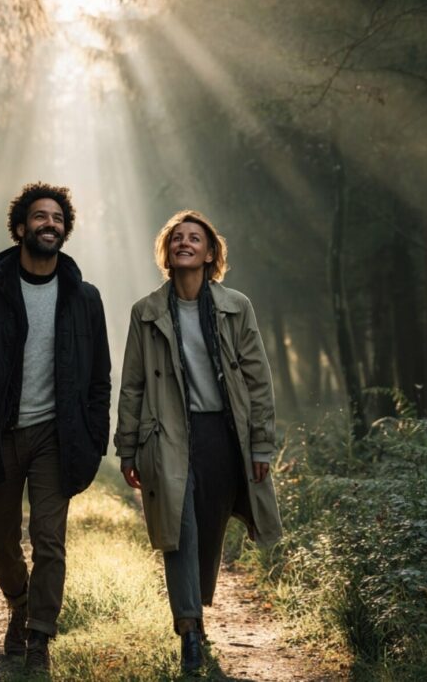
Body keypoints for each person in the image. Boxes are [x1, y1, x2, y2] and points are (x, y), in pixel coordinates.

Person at [0, 182, 111, 672]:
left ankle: (39, 638)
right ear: (20, 228)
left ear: (65, 230)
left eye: (57, 218)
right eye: (40, 217)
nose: (49, 224)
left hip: (57, 437)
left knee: (49, 538)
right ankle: (18, 602)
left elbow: (100, 376)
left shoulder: (84, 298)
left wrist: (94, 434)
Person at [114, 209, 282, 673]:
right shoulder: (145, 312)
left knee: (208, 532)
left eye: (195, 238)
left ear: (210, 254)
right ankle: (188, 628)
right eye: (177, 238)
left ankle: (197, 611)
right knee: (179, 532)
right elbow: (132, 385)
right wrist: (127, 447)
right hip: (167, 434)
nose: (185, 243)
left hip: (223, 434)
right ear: (167, 253)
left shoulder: (236, 307)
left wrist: (261, 445)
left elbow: (258, 380)